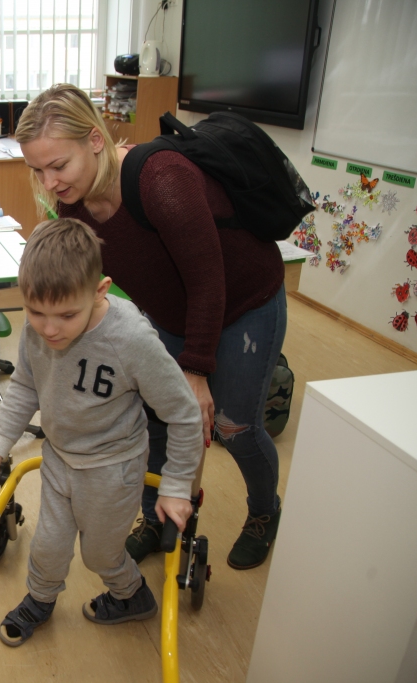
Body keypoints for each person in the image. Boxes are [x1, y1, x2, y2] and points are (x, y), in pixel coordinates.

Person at [15, 84, 288, 570]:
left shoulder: (160, 179)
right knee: (156, 423)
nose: (49, 182)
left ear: (95, 140)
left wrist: (197, 373)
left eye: (59, 165)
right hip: (173, 313)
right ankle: (153, 516)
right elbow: (84, 285)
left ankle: (265, 510)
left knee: (234, 425)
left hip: (244, 303)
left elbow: (208, 282)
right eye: (38, 170)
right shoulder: (73, 202)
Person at [0, 218, 202, 647]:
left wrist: (176, 486)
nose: (49, 328)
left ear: (100, 290)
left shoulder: (130, 339)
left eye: (66, 315)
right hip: (59, 456)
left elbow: (184, 414)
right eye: (36, 312)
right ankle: (40, 599)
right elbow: (24, 386)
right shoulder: (39, 324)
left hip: (113, 468)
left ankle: (131, 595)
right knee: (48, 546)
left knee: (101, 555)